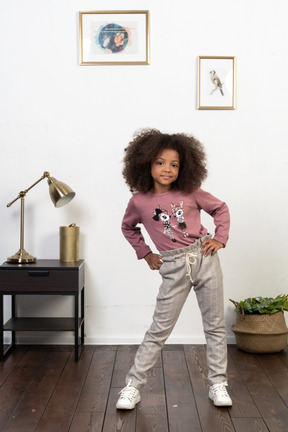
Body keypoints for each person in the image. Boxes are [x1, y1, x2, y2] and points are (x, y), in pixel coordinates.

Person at [116, 128, 232, 409]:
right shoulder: (140, 201)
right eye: (160, 162)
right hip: (173, 265)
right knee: (158, 329)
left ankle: (218, 384)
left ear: (184, 168)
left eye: (174, 164)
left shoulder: (191, 192)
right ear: (145, 164)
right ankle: (133, 386)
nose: (167, 169)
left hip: (204, 258)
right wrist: (146, 254)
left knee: (215, 327)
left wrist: (219, 239)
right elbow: (127, 227)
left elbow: (220, 209)